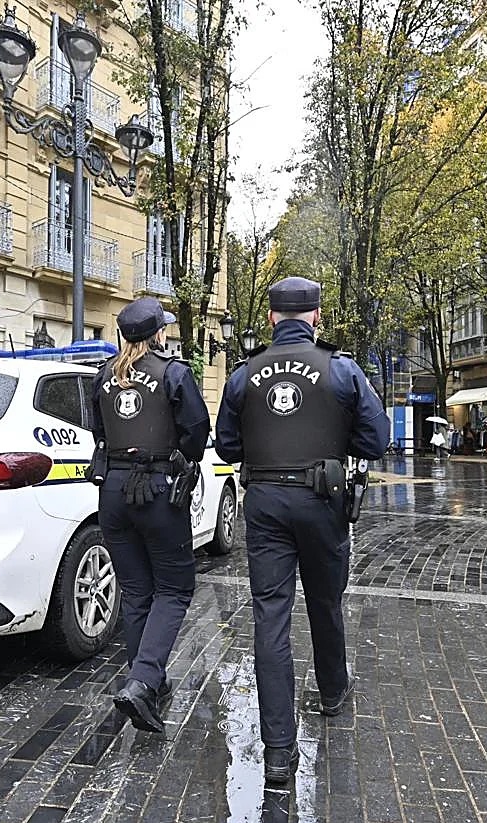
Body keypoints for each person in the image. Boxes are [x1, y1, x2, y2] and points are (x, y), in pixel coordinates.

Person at [215, 277, 389, 784]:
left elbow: (226, 446)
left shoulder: (244, 373)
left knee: (270, 616)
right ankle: (332, 690)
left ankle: (276, 751)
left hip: (265, 503)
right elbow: (376, 439)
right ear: (315, 316)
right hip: (322, 500)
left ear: (272, 318)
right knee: (325, 600)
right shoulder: (341, 369)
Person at [91, 297, 211, 730]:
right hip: (158, 490)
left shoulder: (103, 374)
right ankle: (142, 683)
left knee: (137, 591)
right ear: (159, 333)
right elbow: (197, 433)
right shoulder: (173, 372)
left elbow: (98, 431)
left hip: (113, 491)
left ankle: (147, 683)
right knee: (175, 589)